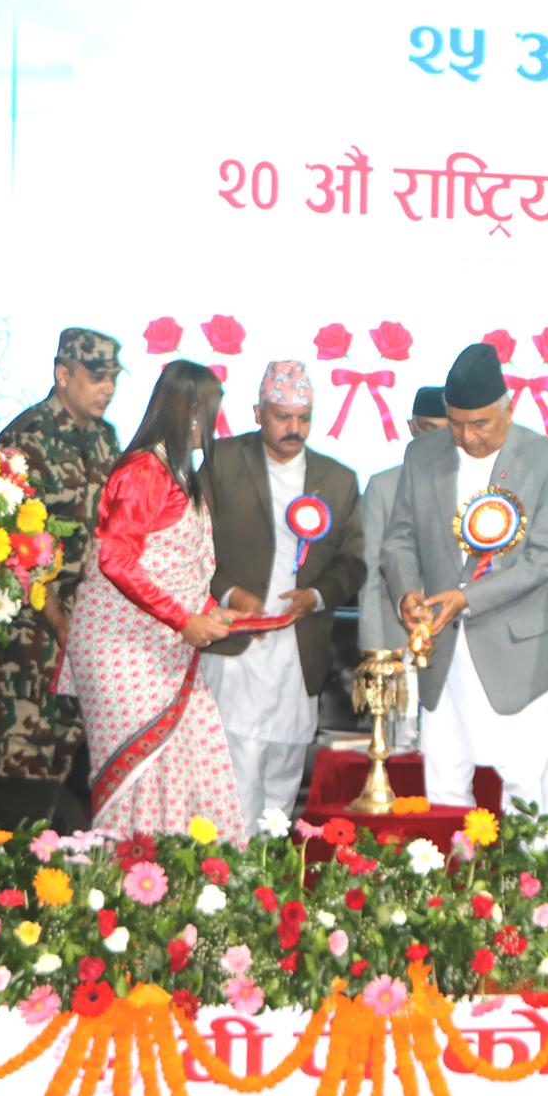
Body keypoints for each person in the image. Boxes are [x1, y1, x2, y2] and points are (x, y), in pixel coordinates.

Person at [58, 360, 246, 843]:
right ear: (189, 413)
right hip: (122, 649)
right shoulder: (144, 470)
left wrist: (208, 610)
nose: (215, 424)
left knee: (189, 770)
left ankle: (173, 879)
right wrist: (184, 619)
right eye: (210, 412)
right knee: (137, 777)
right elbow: (116, 561)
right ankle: (127, 883)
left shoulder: (177, 471)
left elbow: (173, 562)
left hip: (163, 647)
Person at [381, 344, 548, 816]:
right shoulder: (422, 454)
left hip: (519, 655)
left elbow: (543, 559)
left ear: (509, 408)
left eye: (481, 423)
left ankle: (529, 869)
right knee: (444, 789)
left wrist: (465, 598)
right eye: (456, 423)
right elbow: (399, 539)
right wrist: (408, 592)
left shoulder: (546, 459)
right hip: (443, 652)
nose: (467, 436)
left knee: (527, 793)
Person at [197, 362, 366, 822]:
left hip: (299, 645)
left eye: (304, 418)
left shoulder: (339, 479)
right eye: (282, 416)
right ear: (258, 413)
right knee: (235, 770)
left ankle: (271, 865)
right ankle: (230, 863)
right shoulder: (222, 461)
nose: (295, 428)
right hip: (235, 643)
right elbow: (192, 545)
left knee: (284, 772)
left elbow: (353, 561)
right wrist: (231, 593)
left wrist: (316, 596)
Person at [0, 328, 125, 788]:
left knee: (68, 753)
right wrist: (57, 616)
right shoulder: (25, 437)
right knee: (24, 759)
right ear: (63, 374)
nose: (108, 388)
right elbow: (5, 542)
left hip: (87, 626)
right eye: (96, 376)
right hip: (29, 631)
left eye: (113, 377)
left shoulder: (105, 438)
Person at [357, 387, 449, 657]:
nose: (439, 440)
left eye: (448, 431)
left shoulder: (472, 488)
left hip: (460, 639)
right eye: (430, 429)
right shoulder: (383, 486)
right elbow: (369, 573)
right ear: (412, 427)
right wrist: (373, 648)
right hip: (399, 639)